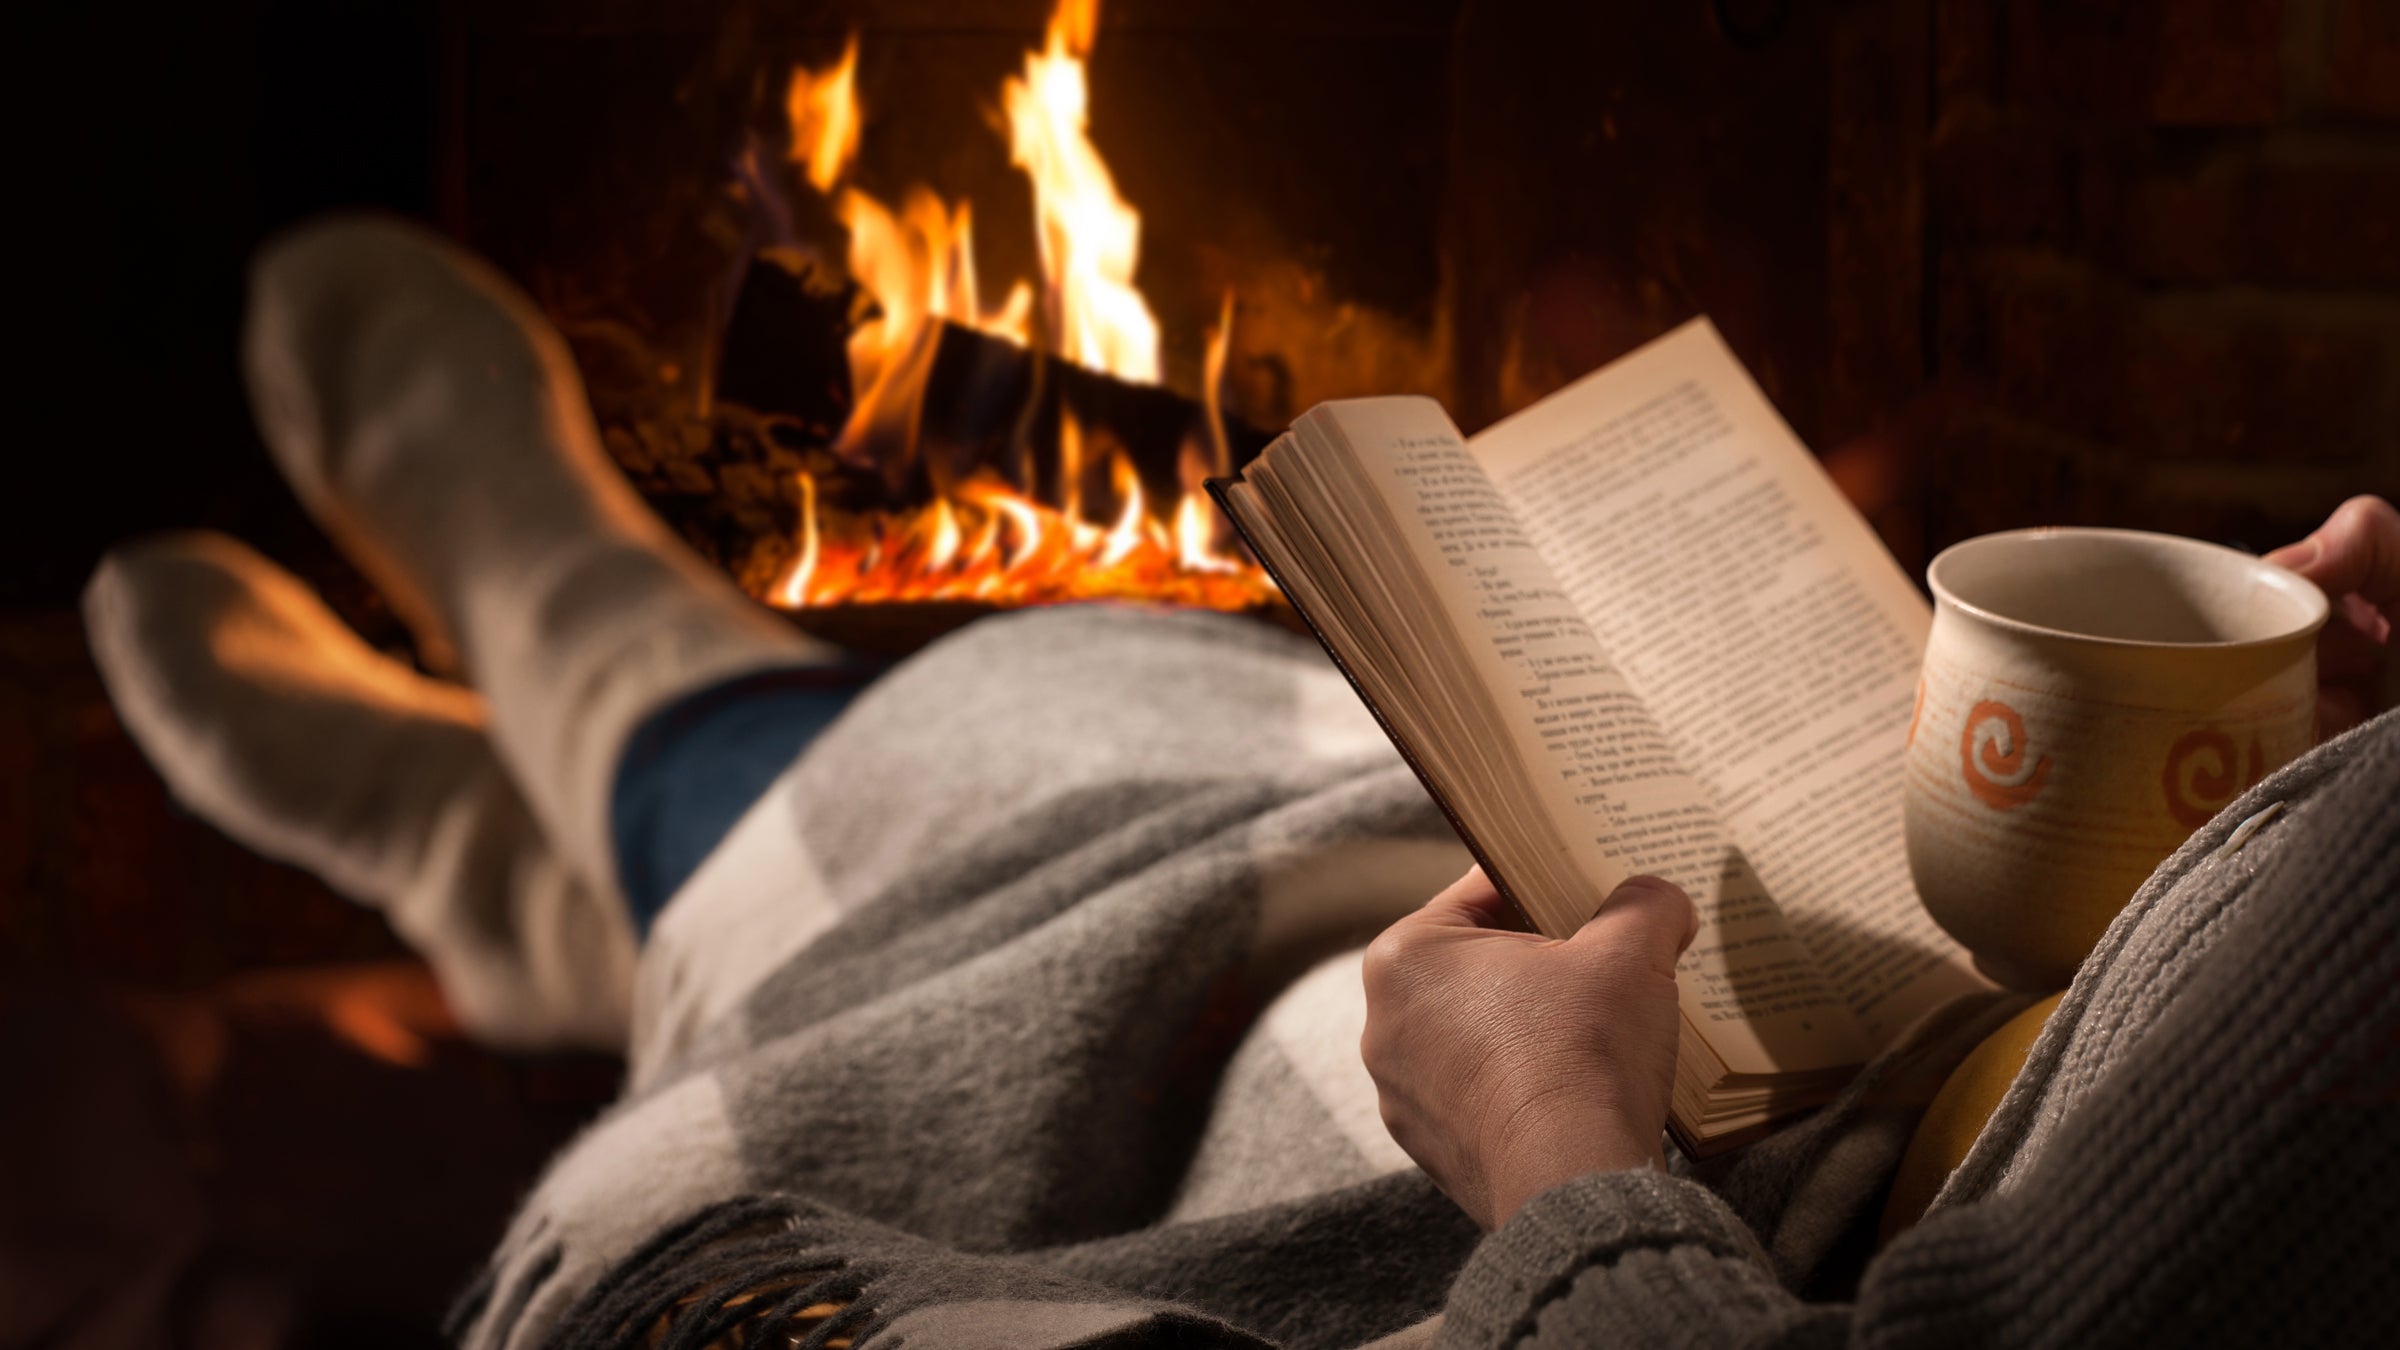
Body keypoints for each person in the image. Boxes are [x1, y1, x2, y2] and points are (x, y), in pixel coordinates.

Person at [86, 217, 2398, 1350]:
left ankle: (607, 694)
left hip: (1682, 1171)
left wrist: (1552, 1164)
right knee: (1190, 741)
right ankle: (575, 842)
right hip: (1915, 1001)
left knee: (1055, 823)